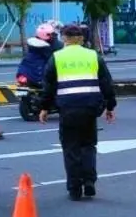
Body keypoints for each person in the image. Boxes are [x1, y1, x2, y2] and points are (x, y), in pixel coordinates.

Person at [38, 22, 117, 201]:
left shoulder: (56, 57)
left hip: (67, 109)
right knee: (88, 146)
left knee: (71, 147)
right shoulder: (93, 56)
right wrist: (110, 106)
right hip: (90, 108)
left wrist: (44, 108)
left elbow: (48, 86)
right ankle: (89, 182)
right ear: (81, 39)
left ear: (64, 38)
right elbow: (106, 83)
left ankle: (75, 188)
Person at [16, 22, 62, 87]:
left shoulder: (32, 49)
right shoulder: (53, 47)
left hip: (28, 81)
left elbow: (24, 66)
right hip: (44, 83)